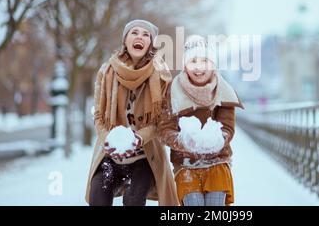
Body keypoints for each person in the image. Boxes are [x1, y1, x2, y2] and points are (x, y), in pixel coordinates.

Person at [85, 19, 178, 206]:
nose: (140, 37)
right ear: (125, 40)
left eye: (146, 35)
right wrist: (107, 139)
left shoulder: (161, 74)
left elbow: (161, 120)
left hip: (144, 156)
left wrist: (138, 139)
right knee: (98, 196)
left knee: (133, 200)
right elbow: (98, 116)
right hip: (111, 155)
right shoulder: (107, 71)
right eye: (134, 32)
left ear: (150, 43)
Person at [158, 35, 244, 206]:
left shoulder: (224, 90)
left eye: (205, 61)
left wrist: (217, 139)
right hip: (186, 164)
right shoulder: (172, 92)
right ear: (185, 65)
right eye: (193, 62)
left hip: (217, 162)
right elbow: (164, 129)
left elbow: (228, 127)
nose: (199, 68)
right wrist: (183, 141)